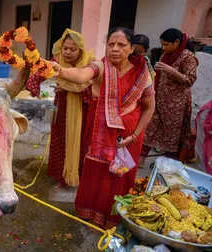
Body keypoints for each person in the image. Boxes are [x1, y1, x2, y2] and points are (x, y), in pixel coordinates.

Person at [50, 27, 155, 228]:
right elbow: (82, 74)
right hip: (101, 135)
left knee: (120, 178)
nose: (115, 49)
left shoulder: (142, 75)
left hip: (130, 139)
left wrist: (134, 135)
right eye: (111, 44)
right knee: (96, 173)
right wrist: (62, 70)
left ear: (132, 48)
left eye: (121, 45)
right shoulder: (102, 66)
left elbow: (150, 108)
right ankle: (89, 214)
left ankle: (113, 218)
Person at [25, 29, 94, 190]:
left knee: (80, 141)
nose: (68, 52)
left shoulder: (89, 63)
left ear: (81, 50)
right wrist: (28, 87)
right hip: (62, 107)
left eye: (73, 49)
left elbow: (94, 88)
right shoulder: (57, 60)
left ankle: (78, 174)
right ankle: (61, 176)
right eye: (65, 48)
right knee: (61, 139)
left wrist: (69, 87)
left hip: (83, 109)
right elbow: (40, 73)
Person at [140, 28, 199, 167]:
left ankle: (167, 164)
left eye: (166, 44)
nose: (163, 47)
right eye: (162, 44)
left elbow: (189, 80)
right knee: (150, 129)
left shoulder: (188, 57)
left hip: (176, 104)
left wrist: (172, 71)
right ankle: (140, 160)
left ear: (177, 42)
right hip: (160, 99)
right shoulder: (166, 54)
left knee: (172, 135)